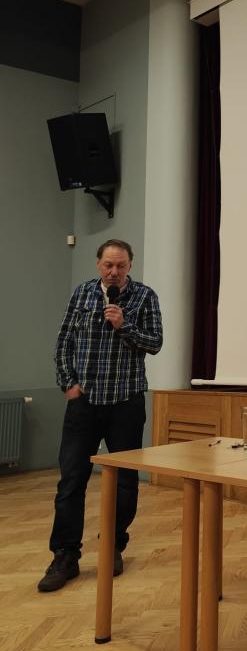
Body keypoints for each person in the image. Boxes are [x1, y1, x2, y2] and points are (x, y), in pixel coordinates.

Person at [38, 239, 163, 592]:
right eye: (108, 265)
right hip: (85, 403)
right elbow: (64, 342)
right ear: (98, 264)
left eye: (121, 265)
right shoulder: (82, 294)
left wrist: (124, 326)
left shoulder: (145, 297)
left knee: (125, 482)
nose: (114, 271)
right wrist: (69, 384)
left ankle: (113, 545)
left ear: (130, 266)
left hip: (126, 403)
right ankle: (65, 556)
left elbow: (155, 343)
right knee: (71, 481)